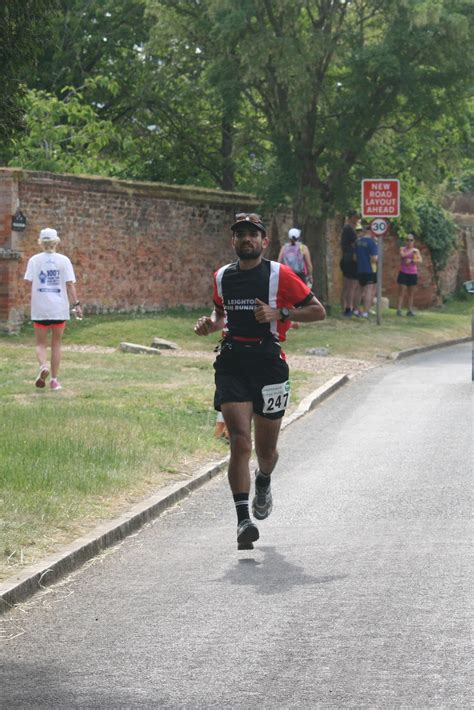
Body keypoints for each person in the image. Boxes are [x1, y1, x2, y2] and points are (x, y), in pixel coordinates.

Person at [194, 212, 325, 549]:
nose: (246, 240)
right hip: (232, 362)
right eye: (241, 235)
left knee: (266, 452)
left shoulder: (280, 275)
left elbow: (318, 311)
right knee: (240, 441)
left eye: (253, 235)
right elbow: (220, 313)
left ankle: (263, 480)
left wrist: (280, 313)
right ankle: (242, 522)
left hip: (268, 364)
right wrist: (211, 323)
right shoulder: (222, 276)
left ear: (265, 242)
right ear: (233, 241)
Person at [24, 228, 82, 390]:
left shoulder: (34, 260)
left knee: (41, 344)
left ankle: (43, 366)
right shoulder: (64, 260)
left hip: (40, 307)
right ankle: (54, 380)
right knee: (56, 344)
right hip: (59, 308)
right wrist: (76, 304)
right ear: (56, 242)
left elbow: (28, 281)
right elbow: (70, 284)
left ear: (41, 243)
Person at [355, 224, 378, 319]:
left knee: (359, 290)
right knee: (368, 290)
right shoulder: (372, 243)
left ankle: (356, 310)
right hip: (370, 270)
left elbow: (355, 257)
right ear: (370, 231)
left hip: (360, 269)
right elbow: (374, 259)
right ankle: (365, 312)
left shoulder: (358, 242)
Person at [397, 233, 422, 317]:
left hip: (412, 273)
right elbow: (402, 255)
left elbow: (420, 260)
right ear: (405, 241)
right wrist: (411, 251)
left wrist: (411, 261)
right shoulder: (402, 249)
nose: (409, 242)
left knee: (411, 293)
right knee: (401, 292)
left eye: (411, 240)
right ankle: (399, 310)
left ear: (413, 241)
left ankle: (409, 310)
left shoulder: (416, 251)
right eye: (407, 240)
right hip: (403, 272)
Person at [340, 210, 360, 317]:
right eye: (356, 217)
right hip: (351, 260)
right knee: (351, 285)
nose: (358, 219)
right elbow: (355, 244)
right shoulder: (349, 229)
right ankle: (349, 308)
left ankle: (345, 307)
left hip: (346, 258)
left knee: (347, 285)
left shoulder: (346, 229)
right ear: (352, 217)